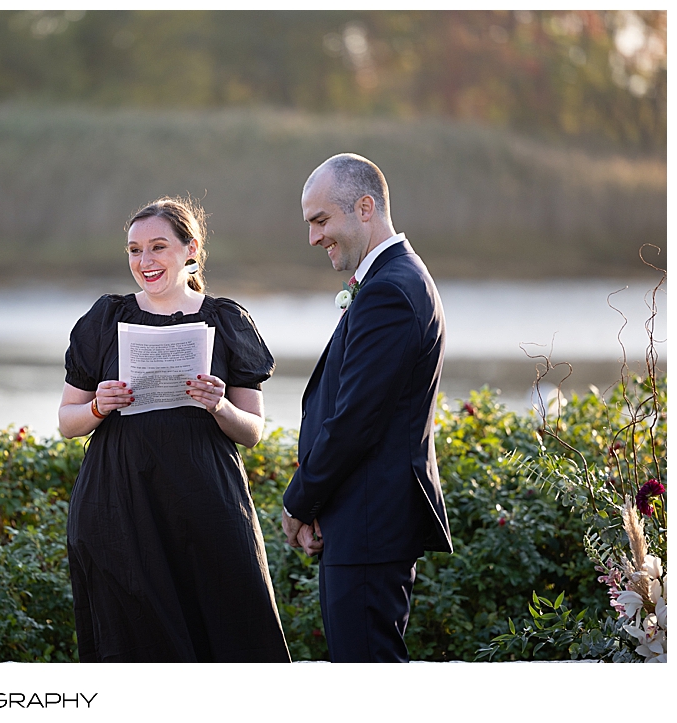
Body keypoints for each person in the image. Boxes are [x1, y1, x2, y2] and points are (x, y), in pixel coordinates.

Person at [59, 197, 291, 662]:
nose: (144, 262)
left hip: (206, 505)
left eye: (158, 247)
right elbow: (67, 421)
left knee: (229, 634)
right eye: (134, 250)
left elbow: (252, 431)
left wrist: (219, 405)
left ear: (191, 249)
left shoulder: (226, 320)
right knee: (133, 648)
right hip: (119, 506)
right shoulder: (105, 318)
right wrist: (99, 407)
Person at [281, 153, 452, 663]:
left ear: (364, 207)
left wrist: (299, 504)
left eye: (320, 221)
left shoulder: (391, 292)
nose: (313, 237)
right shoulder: (391, 281)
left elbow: (355, 423)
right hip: (357, 522)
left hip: (371, 526)